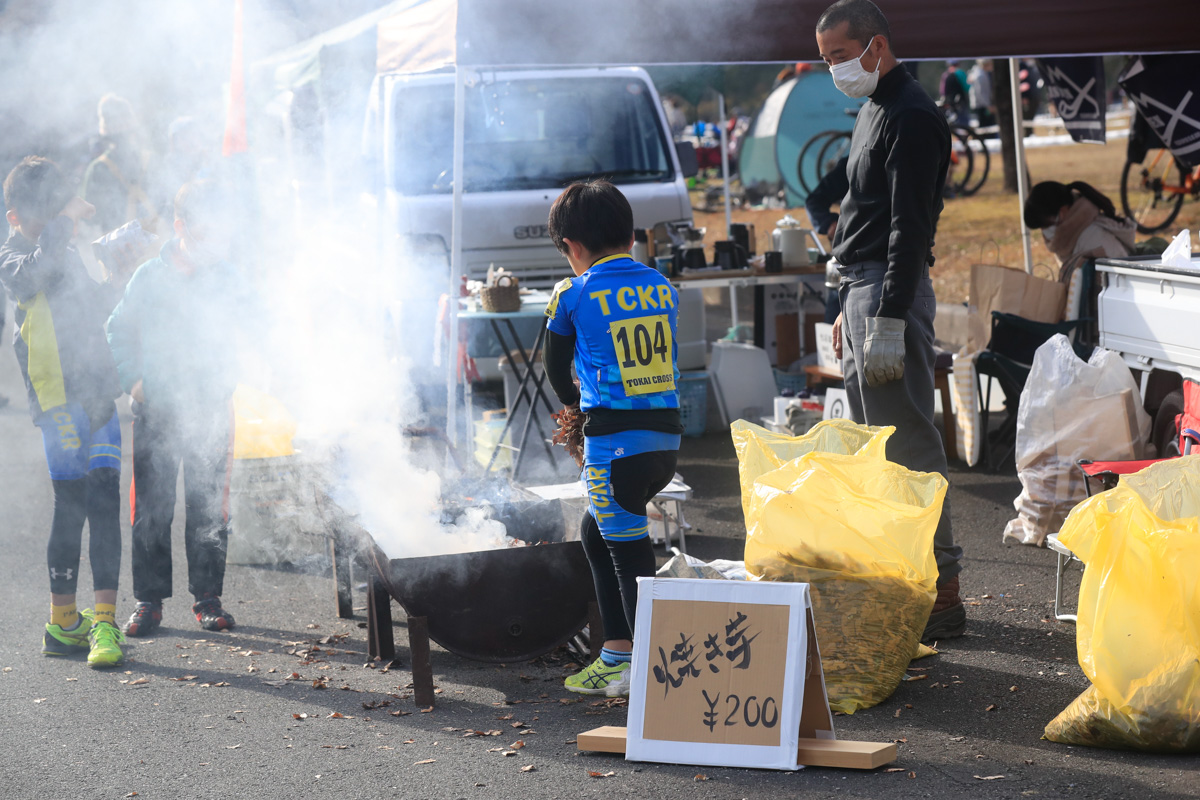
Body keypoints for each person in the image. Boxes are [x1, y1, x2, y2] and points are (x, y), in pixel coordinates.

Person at [815, 0, 965, 640]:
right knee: (877, 445)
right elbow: (865, 203)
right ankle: (907, 577)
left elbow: (911, 227)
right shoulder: (872, 108)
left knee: (906, 445)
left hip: (888, 290)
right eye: (827, 60)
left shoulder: (912, 114)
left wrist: (890, 319)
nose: (835, 69)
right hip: (861, 285)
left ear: (875, 46)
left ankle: (943, 589)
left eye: (841, 55)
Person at [542, 180, 683, 697]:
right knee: (594, 533)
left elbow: (558, 374)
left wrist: (575, 414)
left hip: (612, 446)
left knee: (629, 556)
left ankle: (652, 673)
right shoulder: (661, 285)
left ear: (572, 248)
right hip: (664, 441)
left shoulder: (572, 291)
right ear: (629, 234)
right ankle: (617, 653)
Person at [106, 180, 256, 636]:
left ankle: (208, 598)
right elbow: (118, 329)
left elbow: (248, 330)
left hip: (210, 409)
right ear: (181, 226)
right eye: (205, 231)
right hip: (156, 411)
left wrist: (228, 374)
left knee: (209, 507)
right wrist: (134, 380)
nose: (214, 241)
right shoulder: (149, 276)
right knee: (151, 507)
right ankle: (148, 601)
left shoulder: (228, 277)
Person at [0, 156, 126, 668]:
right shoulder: (12, 257)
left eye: (55, 211)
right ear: (14, 218)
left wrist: (117, 275)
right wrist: (65, 219)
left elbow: (92, 308)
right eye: (41, 215)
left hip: (98, 392)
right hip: (58, 403)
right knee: (71, 508)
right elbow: (36, 276)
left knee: (106, 500)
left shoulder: (64, 246)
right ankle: (62, 622)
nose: (53, 223)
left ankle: (104, 622)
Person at [1024, 180, 1135, 311]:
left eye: (1046, 225)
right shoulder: (1069, 237)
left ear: (1063, 210)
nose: (1044, 231)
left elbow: (1120, 290)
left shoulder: (1096, 239)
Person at [81, 94, 154, 234]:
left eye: (121, 120)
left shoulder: (150, 160)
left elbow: (91, 217)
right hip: (125, 245)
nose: (119, 126)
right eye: (114, 121)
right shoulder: (98, 168)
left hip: (125, 246)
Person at [805, 155, 849, 323]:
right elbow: (814, 201)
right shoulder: (854, 160)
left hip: (899, 270)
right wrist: (829, 223)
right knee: (836, 344)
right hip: (846, 267)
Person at [939, 59, 970, 128]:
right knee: (963, 123)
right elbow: (967, 87)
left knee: (952, 122)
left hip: (949, 102)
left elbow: (942, 91)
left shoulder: (945, 74)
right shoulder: (960, 73)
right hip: (960, 102)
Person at [968, 59, 996, 134]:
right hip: (981, 106)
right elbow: (980, 93)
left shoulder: (980, 73)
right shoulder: (980, 75)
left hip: (982, 105)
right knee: (985, 130)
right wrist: (988, 106)